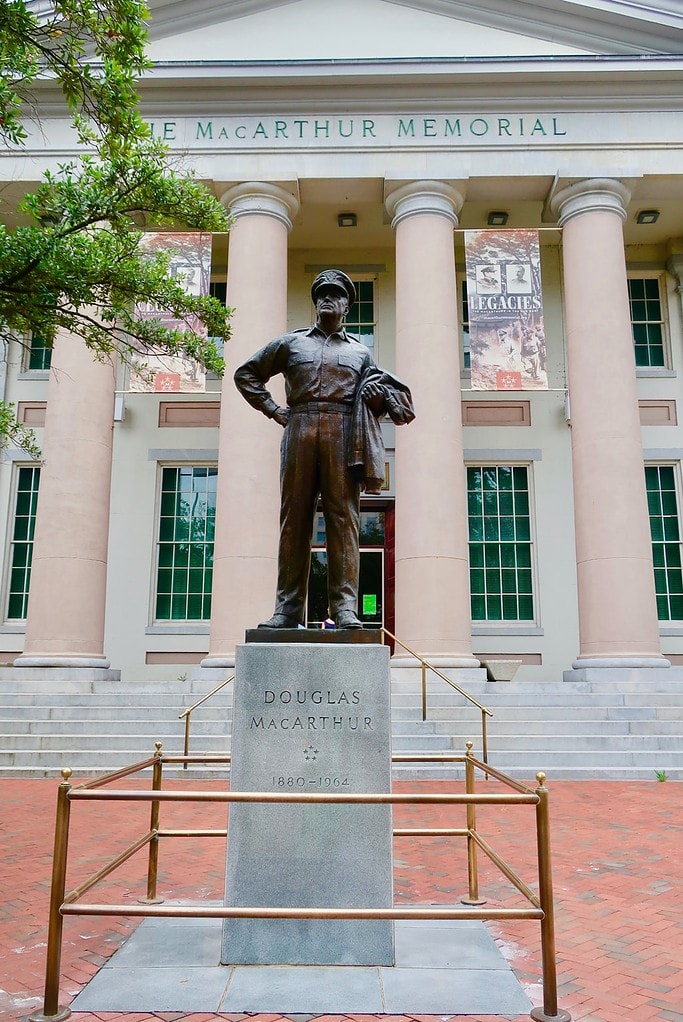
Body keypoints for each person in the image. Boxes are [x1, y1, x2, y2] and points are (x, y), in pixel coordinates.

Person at [234, 269, 415, 629]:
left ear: (348, 304)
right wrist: (274, 411)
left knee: (343, 520)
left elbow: (381, 402)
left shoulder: (361, 353)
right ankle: (287, 609)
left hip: (344, 432)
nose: (328, 299)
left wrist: (378, 399)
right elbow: (246, 375)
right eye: (322, 294)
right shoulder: (290, 344)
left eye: (336, 294)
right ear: (315, 302)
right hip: (299, 427)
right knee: (294, 520)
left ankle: (345, 608)